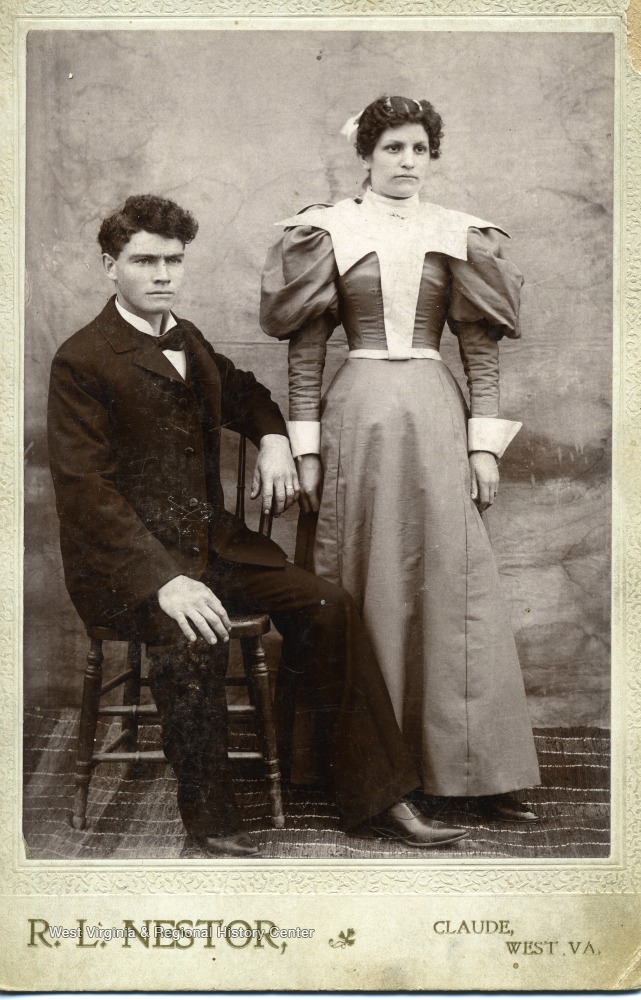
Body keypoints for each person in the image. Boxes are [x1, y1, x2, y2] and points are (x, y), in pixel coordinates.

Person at [47, 193, 469, 858]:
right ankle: (212, 819)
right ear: (110, 266)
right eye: (145, 261)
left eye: (173, 261)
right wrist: (165, 581)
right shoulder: (82, 359)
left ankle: (378, 795)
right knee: (193, 632)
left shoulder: (187, 338)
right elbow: (85, 491)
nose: (163, 274)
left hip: (212, 550)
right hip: (130, 570)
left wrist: (272, 438)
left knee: (329, 606)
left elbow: (246, 395)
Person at [261, 96, 541, 821]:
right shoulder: (326, 230)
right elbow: (304, 356)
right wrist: (307, 450)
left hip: (435, 421)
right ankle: (363, 771)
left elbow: (479, 353)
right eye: (392, 148)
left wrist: (483, 448)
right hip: (354, 423)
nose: (407, 161)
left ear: (431, 155)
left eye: (419, 148)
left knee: (451, 585)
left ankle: (468, 768)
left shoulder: (458, 233)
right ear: (366, 154)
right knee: (358, 579)